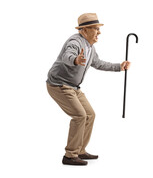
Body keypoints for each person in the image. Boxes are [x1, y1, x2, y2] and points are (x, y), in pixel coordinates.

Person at [46, 13, 131, 165]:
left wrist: (119, 67)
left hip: (74, 87)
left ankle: (80, 150)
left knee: (90, 114)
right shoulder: (75, 41)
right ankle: (70, 156)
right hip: (59, 85)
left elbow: (98, 63)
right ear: (84, 30)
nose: (99, 32)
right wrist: (75, 59)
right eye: (96, 29)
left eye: (99, 29)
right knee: (80, 115)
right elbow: (68, 55)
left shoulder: (90, 47)